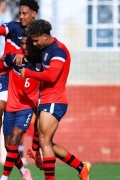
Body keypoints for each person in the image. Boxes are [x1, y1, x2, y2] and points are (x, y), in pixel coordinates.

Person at [20, 19, 92, 180]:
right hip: (45, 100)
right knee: (47, 143)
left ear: (45, 36)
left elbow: (52, 76)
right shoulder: (45, 48)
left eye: (36, 40)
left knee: (44, 140)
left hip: (55, 101)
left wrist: (28, 73)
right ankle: (81, 167)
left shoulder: (58, 51)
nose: (35, 44)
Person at [0, 0, 40, 169]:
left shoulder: (38, 33)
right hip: (6, 74)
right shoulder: (13, 27)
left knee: (41, 113)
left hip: (25, 78)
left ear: (34, 14)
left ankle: (35, 152)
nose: (21, 16)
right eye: (20, 13)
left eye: (25, 13)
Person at [0, 33, 42, 180]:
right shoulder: (13, 58)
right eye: (21, 43)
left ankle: (4, 178)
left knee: (15, 138)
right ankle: (23, 171)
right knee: (9, 147)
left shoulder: (41, 61)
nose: (23, 46)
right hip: (10, 107)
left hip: (26, 108)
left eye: (26, 44)